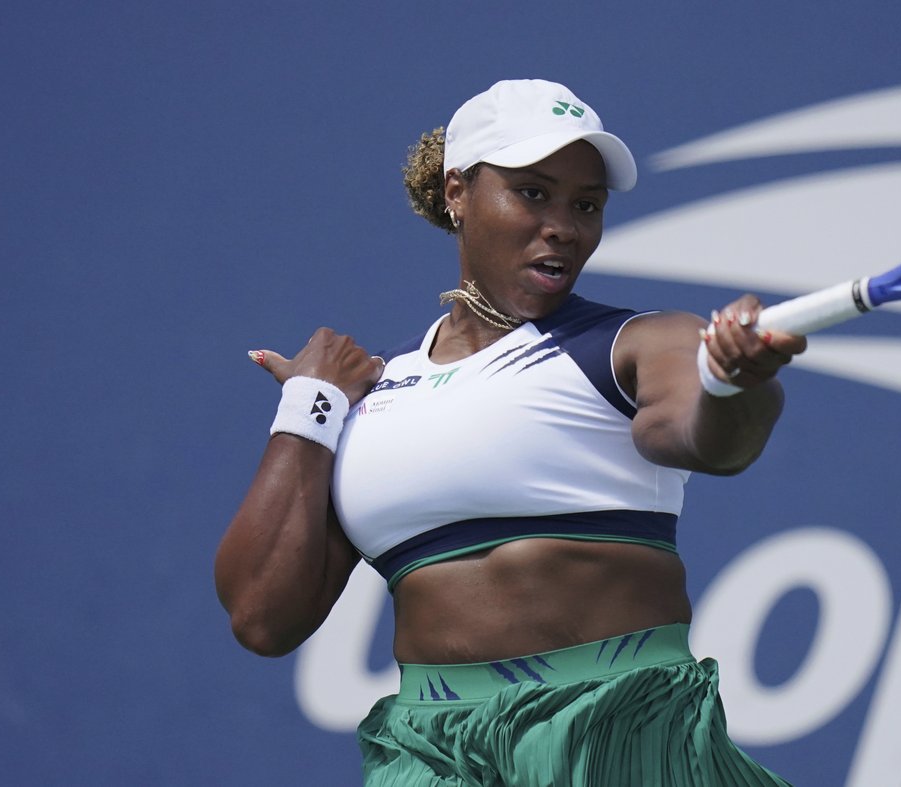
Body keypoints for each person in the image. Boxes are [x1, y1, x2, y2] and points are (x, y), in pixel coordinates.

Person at [214, 78, 805, 786]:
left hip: (613, 732)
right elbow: (261, 617)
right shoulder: (372, 397)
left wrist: (732, 380)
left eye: (585, 204)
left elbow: (714, 440)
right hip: (428, 754)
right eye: (533, 193)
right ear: (457, 192)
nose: (563, 224)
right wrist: (311, 406)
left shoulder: (635, 343)